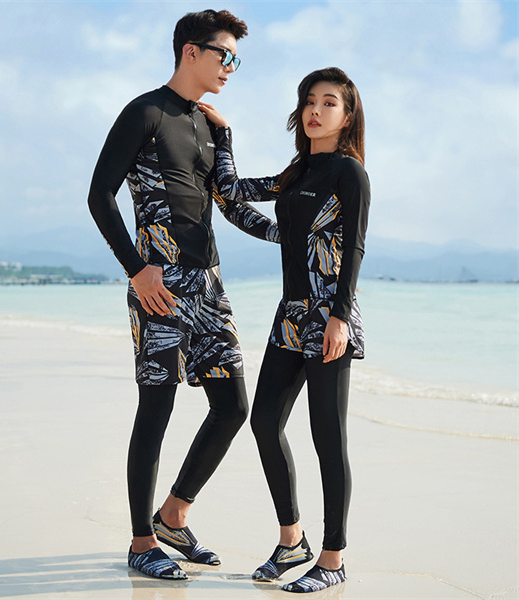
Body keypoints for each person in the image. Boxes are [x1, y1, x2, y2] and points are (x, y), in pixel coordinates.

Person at [87, 10, 279, 581]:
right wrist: (136, 271)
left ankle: (173, 516)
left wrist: (291, 235)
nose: (231, 67)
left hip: (209, 284)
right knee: (157, 407)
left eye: (237, 59)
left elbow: (231, 203)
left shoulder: (210, 126)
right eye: (225, 55)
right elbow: (99, 195)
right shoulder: (145, 112)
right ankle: (141, 541)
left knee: (232, 407)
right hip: (159, 286)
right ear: (191, 51)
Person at [199, 66, 370, 593]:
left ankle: (333, 558)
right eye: (309, 101)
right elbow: (232, 194)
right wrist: (223, 137)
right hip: (290, 315)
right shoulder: (294, 175)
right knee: (264, 422)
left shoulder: (349, 173)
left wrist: (339, 316)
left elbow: (354, 246)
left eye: (329, 102)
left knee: (327, 438)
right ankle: (291, 539)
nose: (316, 110)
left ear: (347, 116)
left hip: (329, 317)